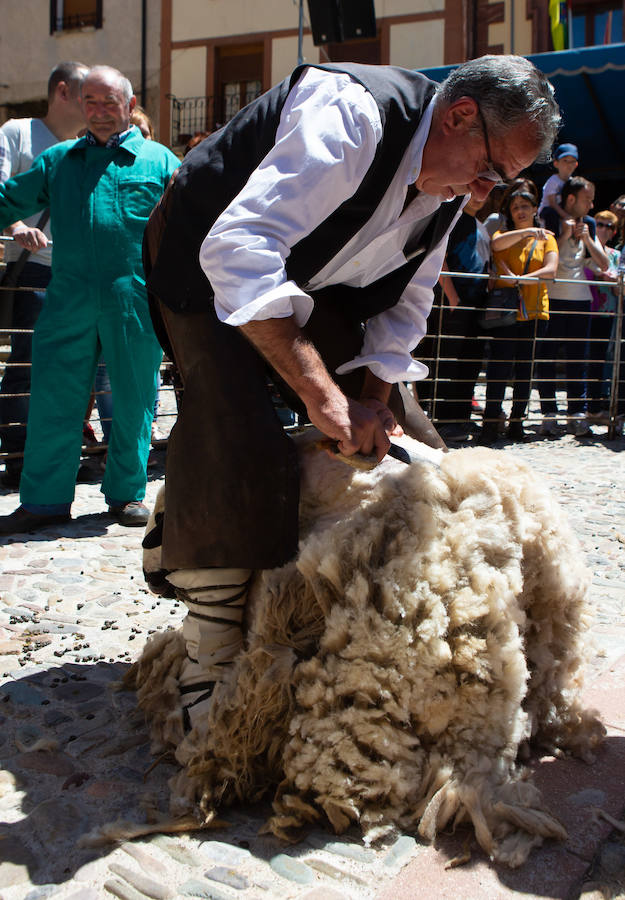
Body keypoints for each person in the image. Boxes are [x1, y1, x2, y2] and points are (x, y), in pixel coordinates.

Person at [142, 55, 560, 729]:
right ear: (457, 117)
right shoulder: (351, 113)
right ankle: (211, 653)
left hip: (323, 283)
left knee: (409, 443)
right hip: (208, 250)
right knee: (232, 423)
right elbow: (241, 248)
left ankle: (367, 629)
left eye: (501, 181)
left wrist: (368, 396)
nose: (483, 193)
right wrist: (318, 393)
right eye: (488, 169)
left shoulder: (446, 189)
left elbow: (408, 301)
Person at [0, 65, 179, 533]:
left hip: (134, 301)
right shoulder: (59, 160)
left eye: (109, 102)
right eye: (91, 102)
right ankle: (42, 501)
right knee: (54, 398)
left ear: (131, 104)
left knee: (134, 398)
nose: (99, 112)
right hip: (67, 300)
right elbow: (8, 199)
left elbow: (195, 225)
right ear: (81, 104)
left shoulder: (161, 163)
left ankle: (126, 494)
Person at [0, 61, 88, 488]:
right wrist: (18, 228)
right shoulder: (17, 132)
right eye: (86, 94)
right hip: (32, 271)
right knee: (27, 365)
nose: (94, 105)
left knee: (71, 370)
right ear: (62, 92)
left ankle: (57, 458)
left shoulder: (88, 146)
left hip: (76, 277)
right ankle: (17, 457)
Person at [480, 188, 558, 444]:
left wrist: (520, 279)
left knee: (525, 371)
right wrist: (526, 232)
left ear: (535, 209)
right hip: (506, 313)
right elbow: (495, 245)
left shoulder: (548, 239)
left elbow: (550, 270)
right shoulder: (504, 235)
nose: (521, 211)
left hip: (535, 312)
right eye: (515, 208)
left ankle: (516, 424)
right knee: (498, 370)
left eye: (525, 206)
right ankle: (490, 424)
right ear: (510, 213)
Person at [416, 195, 491, 442]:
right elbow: (440, 257)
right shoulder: (452, 219)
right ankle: (442, 419)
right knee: (447, 360)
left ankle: (461, 418)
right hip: (453, 301)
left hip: (477, 301)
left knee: (469, 362)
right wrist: (451, 295)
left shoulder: (480, 226)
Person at [538, 176, 609, 436]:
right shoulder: (547, 214)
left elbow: (604, 264)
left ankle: (577, 414)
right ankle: (548, 413)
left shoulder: (588, 223)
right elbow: (543, 249)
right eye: (587, 199)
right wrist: (565, 233)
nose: (591, 206)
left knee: (578, 359)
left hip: (581, 301)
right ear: (571, 199)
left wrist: (589, 239)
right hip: (553, 299)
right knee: (547, 357)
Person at [584, 210, 621, 423]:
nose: (604, 229)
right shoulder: (586, 249)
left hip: (605, 313)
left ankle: (595, 405)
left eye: (609, 226)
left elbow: (616, 284)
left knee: (599, 360)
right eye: (600, 224)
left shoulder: (615, 255)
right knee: (583, 358)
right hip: (584, 308)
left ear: (614, 232)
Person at [538, 142, 579, 231]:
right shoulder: (553, 181)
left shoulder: (573, 182)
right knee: (551, 214)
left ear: (576, 164)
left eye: (572, 161)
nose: (569, 164)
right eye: (565, 160)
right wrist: (566, 216)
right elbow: (552, 203)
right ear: (556, 163)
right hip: (547, 215)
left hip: (563, 215)